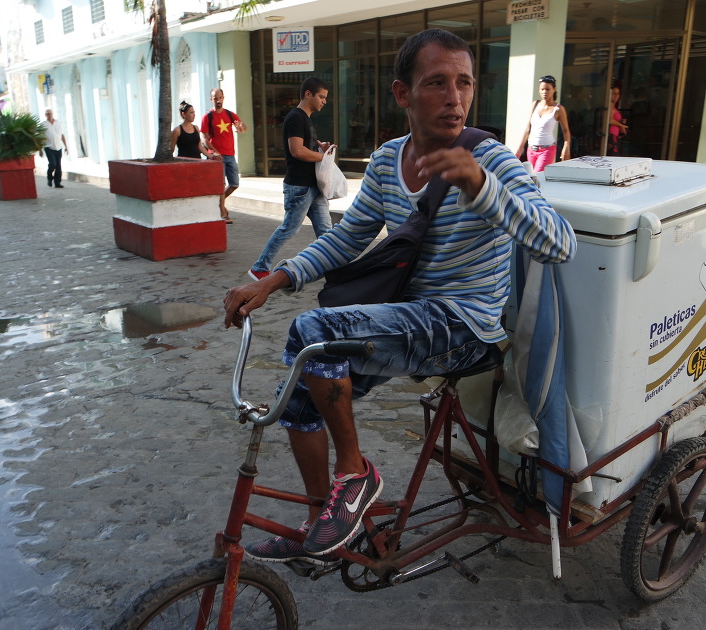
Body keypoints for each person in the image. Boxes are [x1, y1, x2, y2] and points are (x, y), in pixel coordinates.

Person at [223, 28, 575, 566]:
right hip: (411, 318)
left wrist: (481, 186)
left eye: (464, 83)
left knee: (313, 331)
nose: (454, 98)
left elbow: (560, 243)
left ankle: (356, 474)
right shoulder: (389, 159)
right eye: (437, 83)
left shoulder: (492, 160)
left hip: (468, 327)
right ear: (402, 93)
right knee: (297, 393)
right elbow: (348, 236)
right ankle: (324, 524)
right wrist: (274, 279)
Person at [248, 77, 334, 281]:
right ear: (308, 94)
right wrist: (323, 157)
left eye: (325, 98)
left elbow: (305, 149)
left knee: (326, 231)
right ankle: (260, 267)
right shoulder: (296, 117)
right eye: (321, 97)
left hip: (313, 185)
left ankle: (333, 270)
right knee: (289, 228)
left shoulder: (305, 118)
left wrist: (321, 149)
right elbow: (297, 151)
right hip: (300, 187)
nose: (324, 101)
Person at [201, 88, 247, 223]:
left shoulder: (229, 114)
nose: (218, 100)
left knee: (234, 183)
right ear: (211, 99)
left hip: (230, 154)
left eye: (220, 98)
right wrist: (215, 152)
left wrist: (241, 127)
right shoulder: (208, 116)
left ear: (223, 98)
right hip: (216, 157)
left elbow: (243, 127)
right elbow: (204, 139)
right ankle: (223, 213)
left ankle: (217, 204)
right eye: (215, 98)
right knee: (220, 185)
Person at [515, 75, 571, 172]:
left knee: (537, 175)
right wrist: (519, 150)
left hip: (547, 149)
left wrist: (566, 146)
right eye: (542, 89)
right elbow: (528, 129)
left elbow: (566, 130)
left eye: (548, 89)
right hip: (531, 149)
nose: (545, 92)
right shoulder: (535, 104)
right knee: (530, 176)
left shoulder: (558, 109)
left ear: (554, 89)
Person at [39, 109, 69, 189]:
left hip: (58, 147)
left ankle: (57, 182)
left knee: (58, 166)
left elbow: (62, 135)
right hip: (48, 147)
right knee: (53, 164)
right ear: (45, 115)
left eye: (50, 113)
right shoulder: (43, 124)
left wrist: (66, 147)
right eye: (47, 114)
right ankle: (49, 177)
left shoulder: (58, 123)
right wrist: (40, 150)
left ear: (52, 114)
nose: (49, 115)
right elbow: (40, 137)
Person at [607, 83, 628, 155]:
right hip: (611, 134)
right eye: (614, 93)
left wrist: (621, 122)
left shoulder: (614, 107)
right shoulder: (609, 106)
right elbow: (609, 120)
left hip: (616, 134)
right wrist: (621, 125)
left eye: (618, 94)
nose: (616, 96)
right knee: (613, 154)